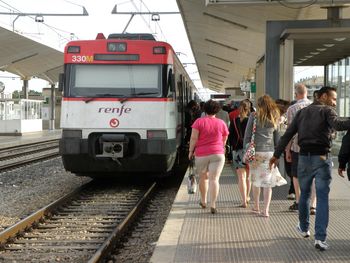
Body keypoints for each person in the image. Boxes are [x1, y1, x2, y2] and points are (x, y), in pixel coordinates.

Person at [269, 86, 350, 251]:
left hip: (304, 158)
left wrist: (276, 155)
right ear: (324, 96)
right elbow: (339, 125)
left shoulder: (302, 113)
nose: (334, 103)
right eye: (333, 99)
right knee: (321, 198)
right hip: (321, 158)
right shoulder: (327, 111)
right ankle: (320, 238)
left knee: (304, 194)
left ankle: (304, 227)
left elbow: (288, 134)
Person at [188, 99, 229, 214]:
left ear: (204, 109)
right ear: (217, 110)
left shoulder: (198, 122)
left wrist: (191, 151)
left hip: (201, 154)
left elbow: (194, 138)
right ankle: (213, 204)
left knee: (203, 178)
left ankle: (203, 200)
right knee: (214, 179)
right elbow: (224, 139)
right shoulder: (221, 123)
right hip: (218, 154)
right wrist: (221, 147)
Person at [243, 95, 281, 217]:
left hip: (256, 152)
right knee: (267, 182)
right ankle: (266, 210)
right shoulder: (274, 117)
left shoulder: (254, 116)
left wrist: (246, 148)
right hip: (270, 152)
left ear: (259, 105)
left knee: (256, 180)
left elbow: (247, 135)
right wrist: (277, 153)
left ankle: (256, 206)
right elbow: (277, 137)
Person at [284, 84, 312, 213]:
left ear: (296, 94)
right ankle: (313, 204)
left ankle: (299, 201)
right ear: (306, 93)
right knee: (313, 175)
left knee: (296, 174)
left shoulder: (292, 109)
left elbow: (290, 132)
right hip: (314, 147)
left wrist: (287, 150)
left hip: (297, 146)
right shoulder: (315, 107)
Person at [229, 99, 251, 208]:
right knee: (248, 176)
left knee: (241, 177)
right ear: (249, 109)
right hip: (249, 151)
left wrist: (233, 147)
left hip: (238, 151)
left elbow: (230, 136)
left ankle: (243, 201)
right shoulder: (251, 121)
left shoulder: (233, 121)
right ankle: (247, 196)